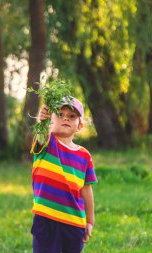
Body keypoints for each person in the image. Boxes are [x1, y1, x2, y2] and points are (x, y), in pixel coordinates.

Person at [30, 96, 98, 253]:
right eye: (60, 114)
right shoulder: (46, 143)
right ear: (50, 120)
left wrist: (89, 221)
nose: (66, 118)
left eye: (72, 116)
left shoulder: (84, 155)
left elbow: (86, 190)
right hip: (46, 219)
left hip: (74, 223)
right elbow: (42, 133)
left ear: (80, 125)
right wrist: (42, 121)